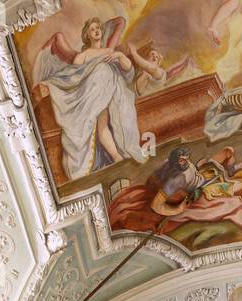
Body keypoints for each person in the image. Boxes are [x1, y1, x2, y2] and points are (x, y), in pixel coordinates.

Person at [32, 17, 165, 180]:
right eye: (92, 29)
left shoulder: (111, 52)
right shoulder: (83, 56)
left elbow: (128, 71)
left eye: (99, 28)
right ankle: (116, 157)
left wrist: (118, 55)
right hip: (92, 95)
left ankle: (118, 156)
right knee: (101, 125)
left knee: (107, 124)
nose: (97, 31)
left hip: (112, 93)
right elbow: (74, 78)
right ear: (87, 35)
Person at [108, 146, 242, 238]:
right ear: (177, 161)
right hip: (204, 190)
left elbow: (151, 181)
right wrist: (178, 208)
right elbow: (156, 205)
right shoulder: (178, 178)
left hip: (202, 176)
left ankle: (229, 171)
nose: (185, 161)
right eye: (182, 160)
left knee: (227, 151)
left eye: (186, 159)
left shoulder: (170, 162)